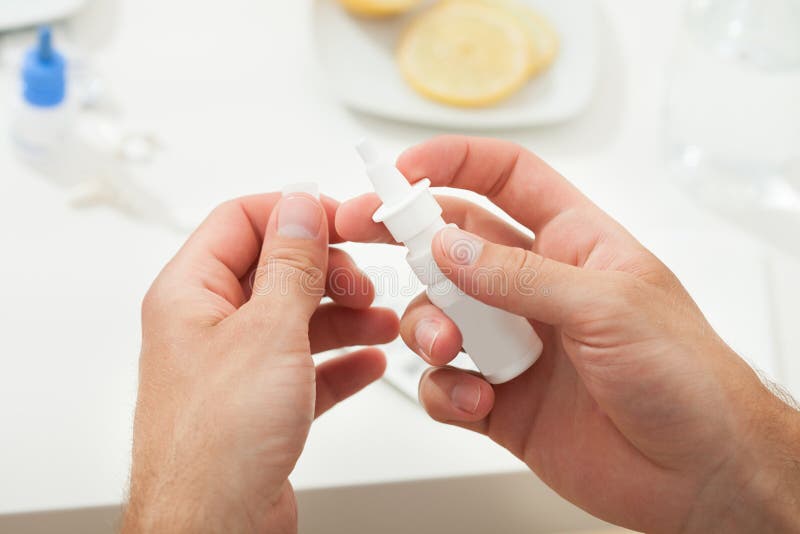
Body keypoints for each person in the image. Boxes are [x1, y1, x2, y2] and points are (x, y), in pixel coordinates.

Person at [121, 136, 800, 533]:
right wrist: (739, 473)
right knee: (433, 337)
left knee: (437, 335)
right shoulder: (433, 258)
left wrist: (180, 505)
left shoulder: (445, 254)